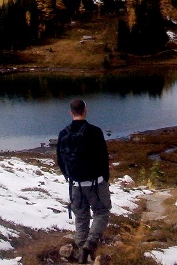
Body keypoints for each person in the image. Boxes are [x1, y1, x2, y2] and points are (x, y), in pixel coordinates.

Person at [57, 98, 111, 263]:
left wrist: (70, 177)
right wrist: (105, 178)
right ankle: (90, 243)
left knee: (81, 217)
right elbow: (103, 158)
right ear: (85, 111)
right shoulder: (95, 131)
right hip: (96, 183)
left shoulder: (63, 133)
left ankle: (82, 253)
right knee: (101, 212)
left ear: (71, 112)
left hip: (75, 185)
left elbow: (60, 160)